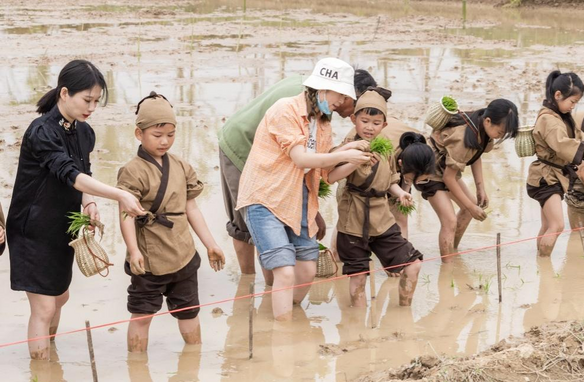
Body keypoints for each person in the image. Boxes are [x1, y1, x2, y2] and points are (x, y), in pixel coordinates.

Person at [7, 59, 145, 360]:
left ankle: (49, 358)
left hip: (62, 227)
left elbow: (84, 173)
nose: (91, 107)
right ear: (65, 93)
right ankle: (42, 381)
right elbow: (68, 173)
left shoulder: (84, 133)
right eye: (87, 100)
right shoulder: (41, 131)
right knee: (43, 306)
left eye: (96, 101)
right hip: (33, 228)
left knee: (60, 297)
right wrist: (119, 195)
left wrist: (91, 201)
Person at [235, 58, 373, 321]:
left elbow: (328, 175)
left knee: (307, 271)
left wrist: (354, 160)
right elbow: (301, 158)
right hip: (266, 197)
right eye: (340, 95)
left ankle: (281, 315)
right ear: (321, 89)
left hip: (299, 197)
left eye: (345, 97)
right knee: (285, 272)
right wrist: (344, 154)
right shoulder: (285, 109)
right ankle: (283, 334)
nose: (342, 102)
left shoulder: (323, 124)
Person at [117, 92, 226, 352]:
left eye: (171, 134)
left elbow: (192, 208)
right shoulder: (132, 170)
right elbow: (125, 214)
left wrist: (210, 244)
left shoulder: (181, 166)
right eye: (157, 135)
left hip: (183, 252)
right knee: (142, 314)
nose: (165, 141)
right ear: (139, 134)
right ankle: (137, 369)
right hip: (149, 258)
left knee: (189, 312)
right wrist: (133, 251)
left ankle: (193, 362)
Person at [328, 89, 431, 306]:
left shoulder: (385, 149)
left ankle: (404, 313)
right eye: (364, 121)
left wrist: (401, 193)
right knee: (358, 279)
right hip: (353, 220)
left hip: (382, 219)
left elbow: (390, 180)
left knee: (413, 264)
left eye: (376, 123)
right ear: (354, 119)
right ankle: (359, 332)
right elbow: (330, 177)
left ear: (384, 125)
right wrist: (353, 159)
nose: (369, 127)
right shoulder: (347, 147)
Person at [415, 99, 518, 262]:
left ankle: (452, 251)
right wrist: (471, 207)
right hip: (428, 169)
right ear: (488, 121)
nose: (500, 137)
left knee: (469, 207)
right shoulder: (463, 137)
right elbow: (448, 178)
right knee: (450, 220)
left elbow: (476, 154)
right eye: (500, 132)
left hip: (445, 168)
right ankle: (447, 268)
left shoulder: (483, 129)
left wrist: (480, 188)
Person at [527, 71, 584, 256]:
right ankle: (544, 265)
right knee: (557, 225)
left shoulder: (561, 117)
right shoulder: (548, 119)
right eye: (572, 102)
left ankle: (541, 263)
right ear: (558, 95)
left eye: (576, 103)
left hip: (552, 176)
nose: (573, 106)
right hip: (545, 178)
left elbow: (577, 135)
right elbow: (561, 145)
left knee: (547, 225)